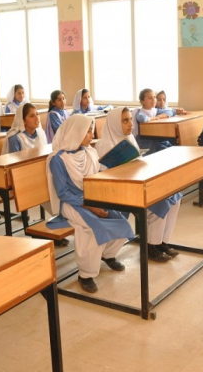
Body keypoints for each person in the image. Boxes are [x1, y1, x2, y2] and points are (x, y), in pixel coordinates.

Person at [46, 115, 133, 293]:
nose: (91, 135)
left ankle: (108, 255)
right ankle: (85, 274)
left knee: (122, 216)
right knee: (93, 227)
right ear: (76, 132)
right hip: (72, 204)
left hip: (92, 198)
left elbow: (96, 177)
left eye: (91, 130)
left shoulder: (89, 152)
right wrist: (90, 206)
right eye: (87, 131)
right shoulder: (58, 159)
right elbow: (63, 193)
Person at [96, 107, 181, 262]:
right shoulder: (103, 145)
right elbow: (103, 178)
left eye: (130, 119)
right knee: (160, 204)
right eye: (125, 121)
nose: (131, 124)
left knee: (175, 196)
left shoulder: (129, 139)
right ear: (115, 123)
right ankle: (151, 245)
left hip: (134, 185)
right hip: (119, 192)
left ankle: (162, 242)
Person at [133, 88, 186, 154]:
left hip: (156, 140)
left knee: (172, 148)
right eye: (150, 98)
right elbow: (143, 119)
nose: (153, 100)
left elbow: (169, 112)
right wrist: (153, 118)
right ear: (142, 101)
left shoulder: (155, 110)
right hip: (146, 143)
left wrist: (158, 116)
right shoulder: (139, 112)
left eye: (154, 97)